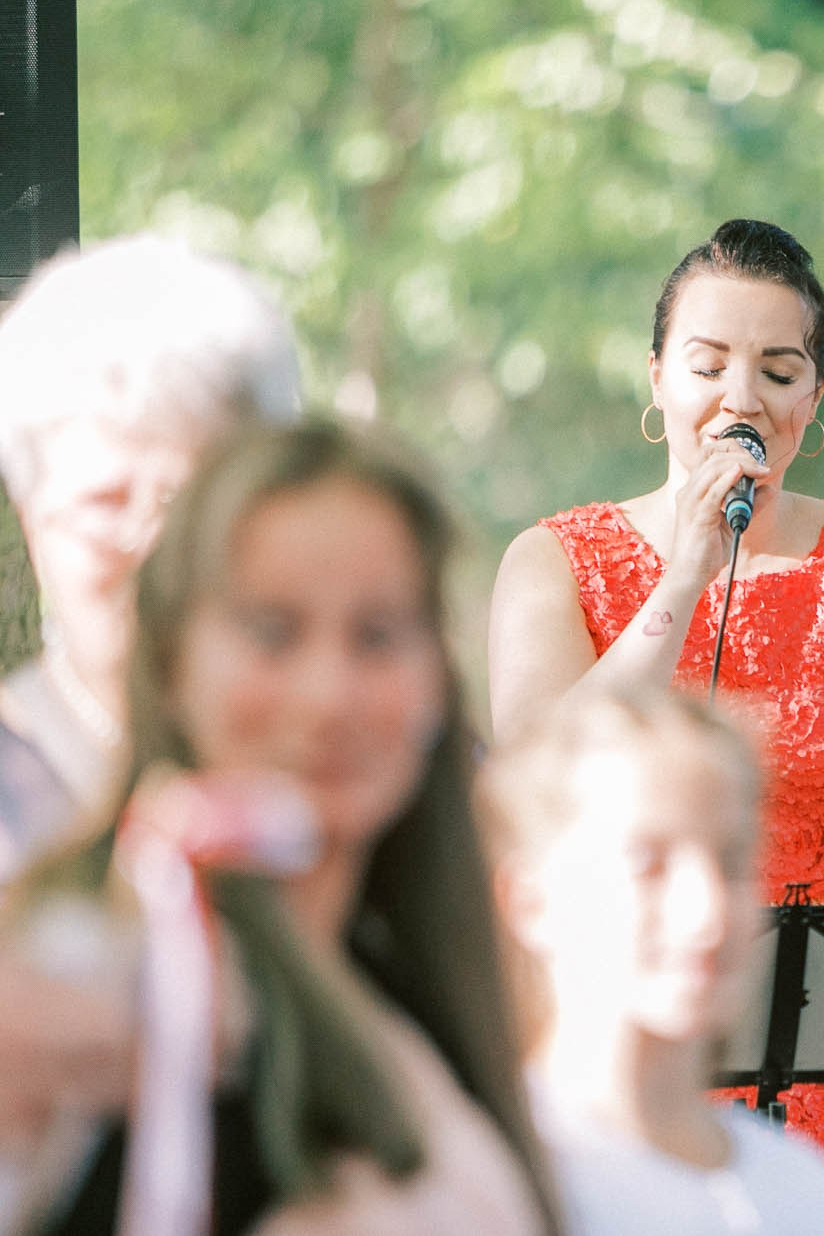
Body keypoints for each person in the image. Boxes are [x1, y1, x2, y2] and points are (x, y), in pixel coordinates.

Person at [488, 217, 824, 1235]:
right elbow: (535, 783)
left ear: (812, 400)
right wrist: (684, 571)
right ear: (658, 381)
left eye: (777, 368)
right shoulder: (550, 563)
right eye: (707, 363)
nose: (740, 397)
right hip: (619, 1061)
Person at [4, 419, 554, 1234]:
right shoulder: (94, 967)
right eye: (271, 631)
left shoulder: (421, 992)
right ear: (170, 664)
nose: (328, 695)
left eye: (377, 636)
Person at [483, 686, 824, 1235]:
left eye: (731, 862)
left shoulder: (805, 1191)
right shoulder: (486, 1183)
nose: (706, 913)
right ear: (531, 902)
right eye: (648, 862)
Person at [0, 235, 300, 877]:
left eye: (186, 501)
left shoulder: (348, 752)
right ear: (31, 516)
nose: (151, 544)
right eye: (105, 503)